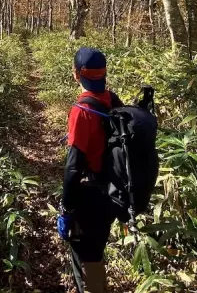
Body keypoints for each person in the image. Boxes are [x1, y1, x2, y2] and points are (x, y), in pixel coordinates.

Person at [60, 47, 123, 293]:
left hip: (89, 196)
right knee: (96, 250)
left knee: (86, 257)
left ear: (76, 74)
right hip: (111, 191)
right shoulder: (113, 100)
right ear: (104, 73)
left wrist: (66, 208)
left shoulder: (82, 110)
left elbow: (73, 167)